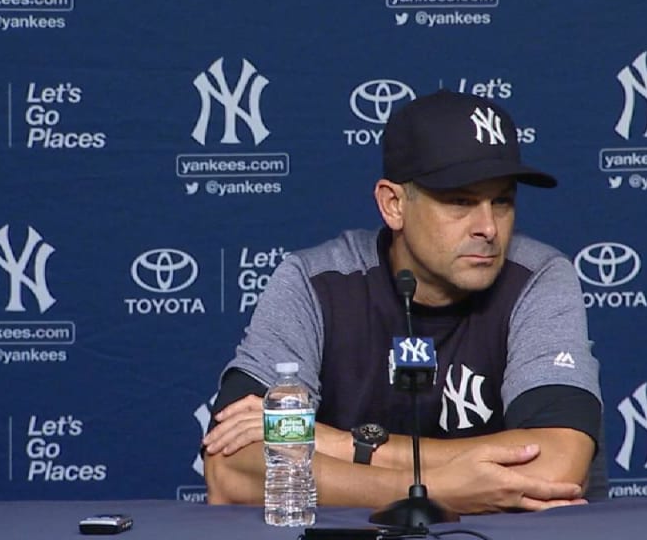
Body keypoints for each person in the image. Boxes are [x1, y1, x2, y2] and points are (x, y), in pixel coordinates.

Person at [203, 89, 604, 514]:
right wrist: (432, 490)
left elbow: (556, 467)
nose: (488, 227)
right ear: (393, 205)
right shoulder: (315, 283)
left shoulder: (537, 277)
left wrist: (339, 443)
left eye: (501, 201)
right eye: (460, 201)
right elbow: (232, 469)